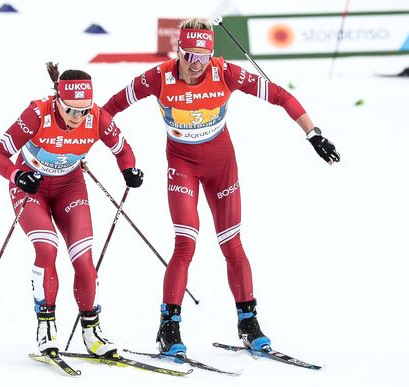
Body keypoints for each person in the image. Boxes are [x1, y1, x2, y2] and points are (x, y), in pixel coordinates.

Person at [103, 18, 340, 356]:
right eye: (188, 55)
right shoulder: (157, 77)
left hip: (221, 167)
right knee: (185, 244)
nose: (194, 64)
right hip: (182, 166)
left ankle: (248, 322)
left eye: (202, 57)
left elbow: (279, 95)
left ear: (211, 55)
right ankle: (168, 327)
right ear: (179, 51)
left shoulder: (225, 72)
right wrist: (112, 155)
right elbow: (107, 112)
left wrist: (313, 133)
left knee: (233, 245)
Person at [0, 62, 144, 357]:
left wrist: (129, 170)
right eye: (70, 110)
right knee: (47, 248)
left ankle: (92, 330)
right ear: (57, 101)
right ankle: (46, 325)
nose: (77, 117)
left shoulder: (97, 118)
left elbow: (123, 150)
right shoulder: (37, 114)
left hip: (69, 187)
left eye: (83, 110)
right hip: (30, 186)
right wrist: (17, 175)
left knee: (83, 256)